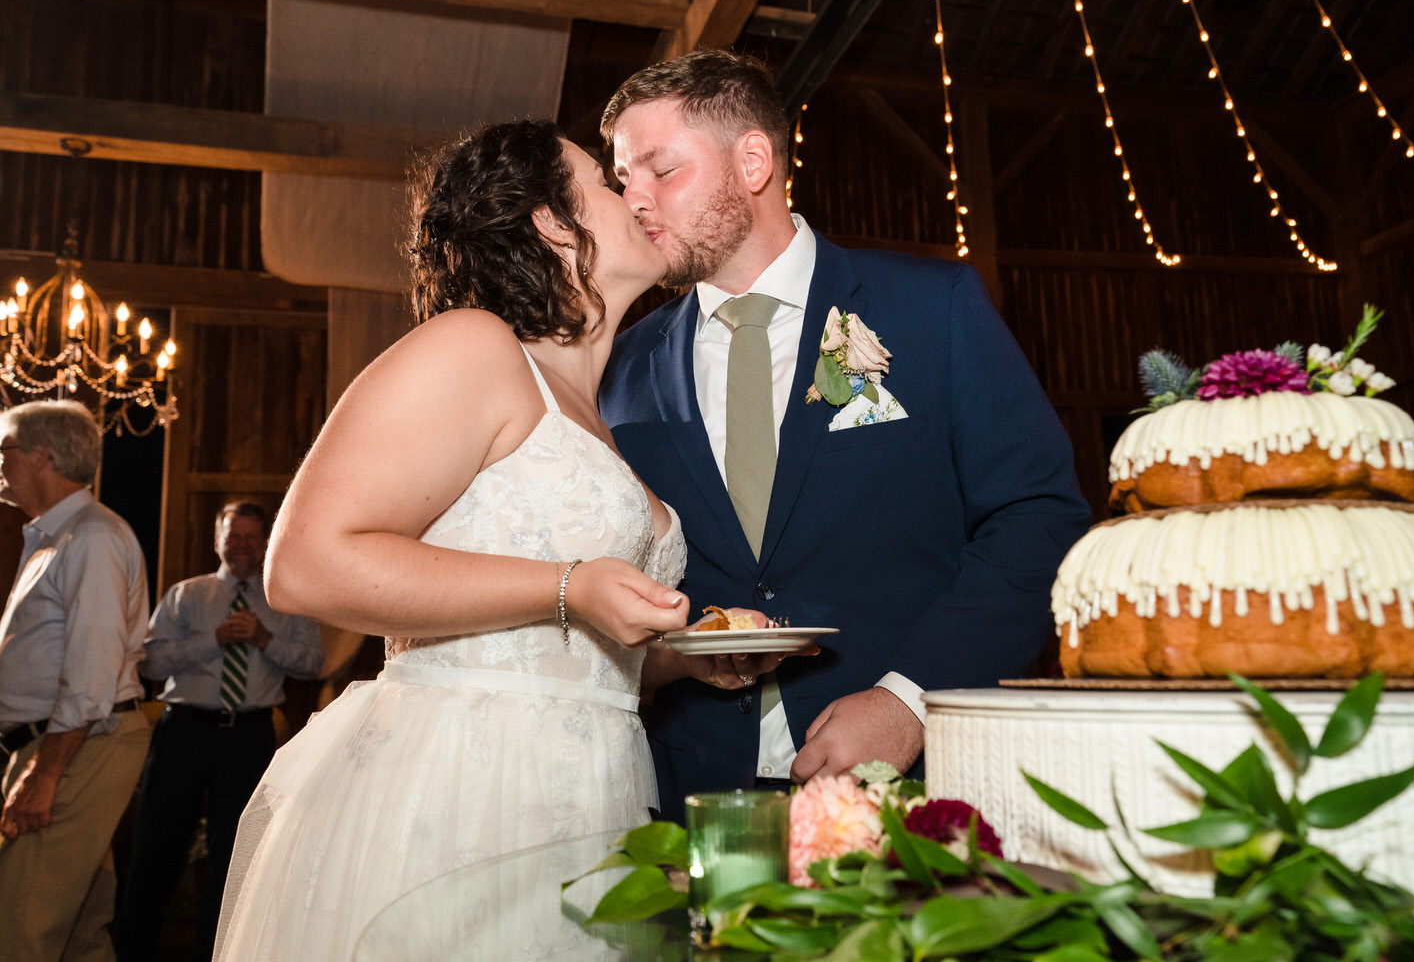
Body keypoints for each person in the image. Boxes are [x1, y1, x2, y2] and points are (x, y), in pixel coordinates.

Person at [210, 120, 786, 961]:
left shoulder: (608, 413)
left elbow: (579, 643)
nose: (636, 197)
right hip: (463, 788)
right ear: (553, 221)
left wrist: (682, 655)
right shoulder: (476, 348)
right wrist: (568, 583)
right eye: (604, 180)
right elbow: (303, 563)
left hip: (600, 792)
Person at [598, 49, 1093, 818]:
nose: (634, 201)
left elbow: (1038, 520)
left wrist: (910, 702)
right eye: (624, 178)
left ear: (753, 161)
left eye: (660, 171)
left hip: (912, 792)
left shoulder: (934, 308)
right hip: (690, 792)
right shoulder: (623, 367)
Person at [119, 501, 322, 962]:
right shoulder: (186, 596)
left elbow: (314, 664)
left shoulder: (286, 599)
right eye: (234, 536)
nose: (242, 545)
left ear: (265, 542)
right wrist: (215, 640)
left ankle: (215, 954)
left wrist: (263, 639)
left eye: (251, 537)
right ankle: (132, 951)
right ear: (218, 541)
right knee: (155, 850)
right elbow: (150, 662)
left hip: (249, 737)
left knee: (233, 858)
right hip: (184, 732)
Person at [0, 399, 151, 960]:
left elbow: (91, 675)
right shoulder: (52, 537)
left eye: (5, 452)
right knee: (78, 933)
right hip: (66, 743)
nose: (0, 465)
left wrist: (45, 775)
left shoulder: (89, 537)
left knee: (20, 929)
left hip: (78, 745)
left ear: (43, 456)